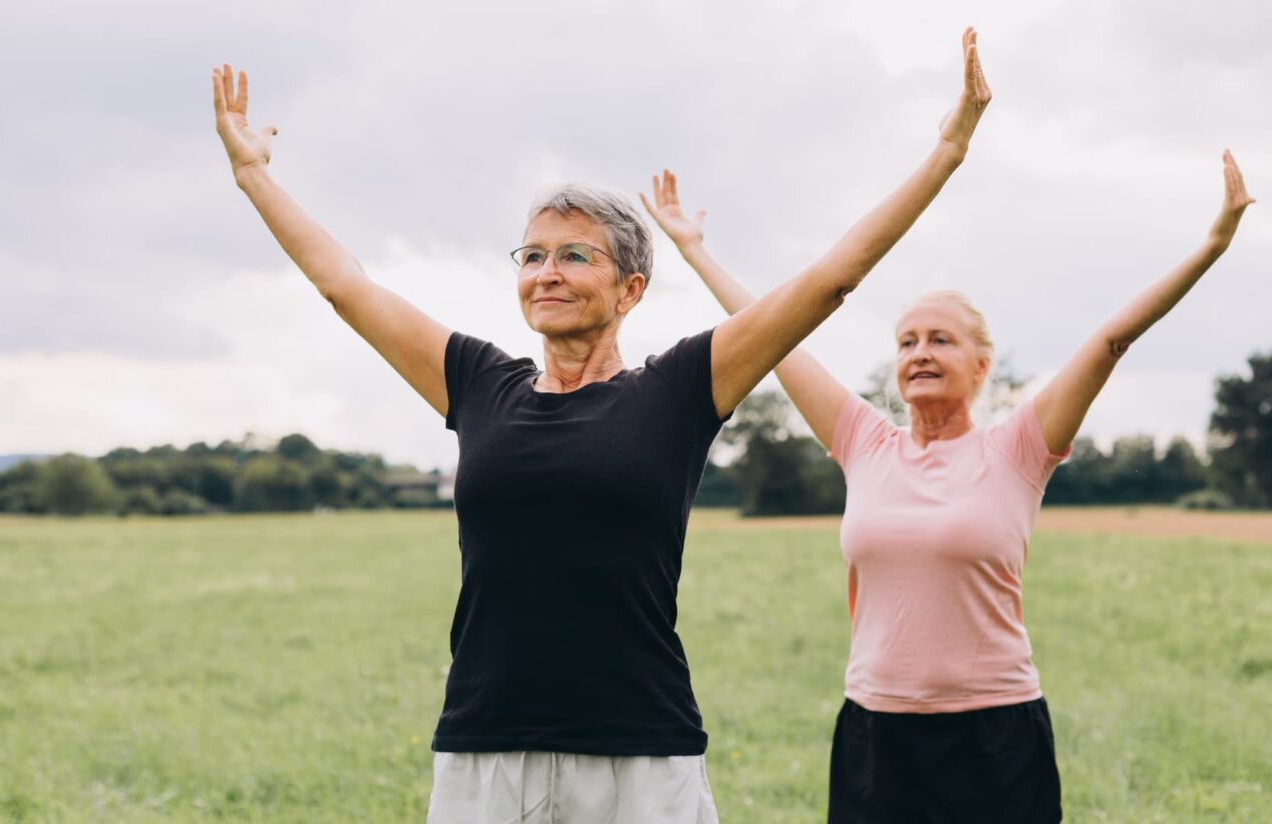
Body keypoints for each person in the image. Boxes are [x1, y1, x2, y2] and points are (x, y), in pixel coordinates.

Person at [209, 25, 991, 823]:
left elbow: (830, 280)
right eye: (532, 256)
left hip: (640, 756)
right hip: (486, 749)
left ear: (631, 289)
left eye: (575, 256)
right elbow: (346, 287)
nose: (547, 273)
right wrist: (252, 177)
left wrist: (947, 151)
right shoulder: (478, 383)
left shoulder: (679, 390)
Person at [643, 133, 1254, 820]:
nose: (920, 353)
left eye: (940, 339)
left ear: (981, 365)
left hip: (995, 734)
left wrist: (1212, 245)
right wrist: (695, 250)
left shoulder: (1020, 447)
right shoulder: (865, 442)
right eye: (907, 342)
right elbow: (773, 337)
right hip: (877, 733)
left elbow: (1111, 340)